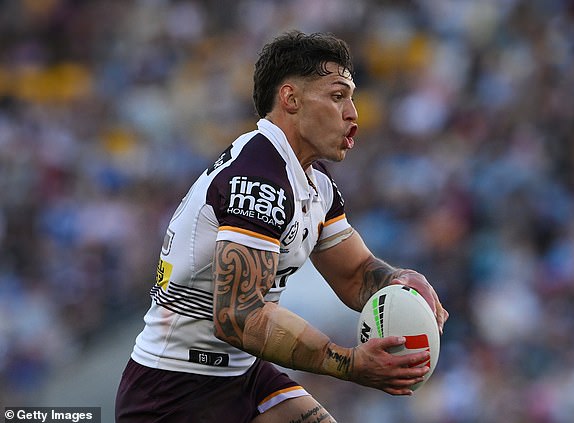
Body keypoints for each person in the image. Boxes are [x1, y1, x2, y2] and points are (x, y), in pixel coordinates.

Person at [115, 30, 449, 423]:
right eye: (337, 96)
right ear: (290, 99)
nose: (353, 113)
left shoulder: (312, 183)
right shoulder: (258, 180)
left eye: (352, 97)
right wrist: (350, 364)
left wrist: (402, 283)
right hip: (174, 390)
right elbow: (238, 317)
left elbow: (356, 275)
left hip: (241, 374)